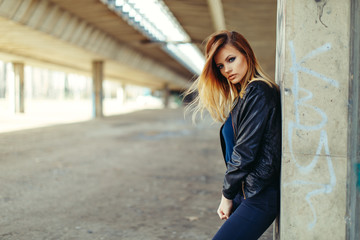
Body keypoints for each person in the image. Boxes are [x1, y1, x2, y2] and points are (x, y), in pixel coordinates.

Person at [185, 30, 281, 239]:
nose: (227, 69)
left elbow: (244, 152)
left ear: (246, 54)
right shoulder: (245, 95)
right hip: (249, 192)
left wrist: (226, 195)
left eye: (231, 59)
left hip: (259, 195)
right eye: (220, 66)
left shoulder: (258, 91)